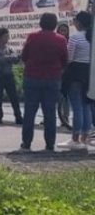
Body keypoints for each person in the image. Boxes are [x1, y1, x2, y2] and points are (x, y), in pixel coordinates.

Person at [19, 13, 67, 152]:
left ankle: (26, 143)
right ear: (55, 24)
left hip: (32, 77)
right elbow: (65, 60)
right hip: (52, 78)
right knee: (50, 112)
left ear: (41, 23)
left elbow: (24, 56)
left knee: (29, 111)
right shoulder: (61, 39)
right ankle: (50, 144)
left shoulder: (32, 37)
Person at [57, 11, 92, 150]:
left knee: (76, 106)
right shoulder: (92, 37)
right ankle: (85, 138)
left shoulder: (75, 38)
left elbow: (69, 58)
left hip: (75, 73)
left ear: (79, 23)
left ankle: (75, 138)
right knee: (86, 106)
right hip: (89, 74)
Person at [0, 28, 23, 125]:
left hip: (8, 75)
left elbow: (16, 59)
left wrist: (16, 57)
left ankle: (18, 117)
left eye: (8, 36)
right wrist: (12, 58)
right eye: (5, 36)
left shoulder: (10, 48)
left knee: (14, 97)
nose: (7, 38)